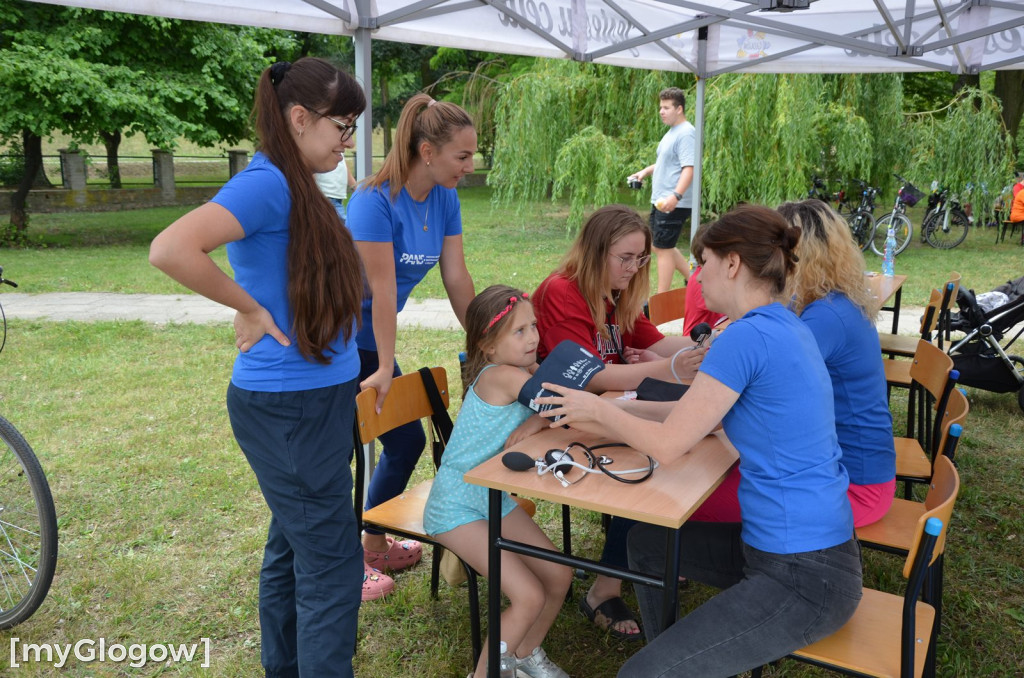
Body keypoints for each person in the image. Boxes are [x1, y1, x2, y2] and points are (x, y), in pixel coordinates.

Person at [536, 204, 863, 678]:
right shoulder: (785, 323)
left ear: (732, 264)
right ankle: (675, 656)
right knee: (647, 544)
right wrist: (616, 413)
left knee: (638, 675)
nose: (697, 277)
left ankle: (666, 665)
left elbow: (669, 445)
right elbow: (697, 417)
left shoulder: (743, 339)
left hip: (805, 575)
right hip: (799, 551)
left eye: (704, 261)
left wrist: (600, 410)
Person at [149, 58, 368, 677]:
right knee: (330, 564)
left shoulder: (303, 181)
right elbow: (169, 248)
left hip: (316, 396)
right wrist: (246, 306)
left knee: (293, 546)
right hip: (289, 404)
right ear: (299, 119)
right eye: (341, 127)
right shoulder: (268, 181)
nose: (346, 142)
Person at [532, 204, 705, 641]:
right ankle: (604, 587)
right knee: (649, 453)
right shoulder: (562, 292)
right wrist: (672, 369)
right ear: (594, 252)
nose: (634, 268)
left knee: (672, 441)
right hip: (557, 418)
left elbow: (659, 343)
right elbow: (588, 377)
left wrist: (718, 349)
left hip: (602, 409)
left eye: (641, 258)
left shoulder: (616, 291)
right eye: (625, 258)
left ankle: (646, 553)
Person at [345, 93, 477, 594]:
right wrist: (382, 366)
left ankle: (372, 543)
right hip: (333, 342)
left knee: (405, 440)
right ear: (426, 151)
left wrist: (482, 343)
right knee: (340, 458)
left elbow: (457, 277)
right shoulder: (373, 202)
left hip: (370, 340)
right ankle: (345, 566)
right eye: (461, 156)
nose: (468, 166)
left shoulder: (443, 197)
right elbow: (379, 291)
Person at [424, 285, 573, 678]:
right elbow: (564, 403)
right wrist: (540, 417)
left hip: (489, 496)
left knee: (559, 574)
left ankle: (524, 655)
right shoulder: (501, 375)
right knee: (529, 594)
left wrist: (537, 418)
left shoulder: (524, 371)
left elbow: (557, 403)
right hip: (456, 505)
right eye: (519, 331)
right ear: (487, 346)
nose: (534, 338)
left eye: (534, 326)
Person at [780, 199, 896, 524]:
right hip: (854, 471)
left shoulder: (826, 316)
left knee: (703, 492)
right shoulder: (833, 301)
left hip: (854, 488)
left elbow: (767, 382)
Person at [627, 87, 696, 294]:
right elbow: (665, 163)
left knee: (663, 249)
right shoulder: (671, 133)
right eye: (661, 107)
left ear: (679, 109)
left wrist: (676, 196)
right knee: (658, 246)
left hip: (673, 202)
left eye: (666, 107)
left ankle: (660, 300)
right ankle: (693, 280)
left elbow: (689, 168)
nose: (661, 111)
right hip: (661, 200)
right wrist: (644, 172)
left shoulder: (686, 133)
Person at [314, 152, 357, 220]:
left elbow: (344, 166)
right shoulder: (321, 147)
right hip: (326, 197)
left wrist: (355, 187)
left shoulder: (338, 148)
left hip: (336, 197)